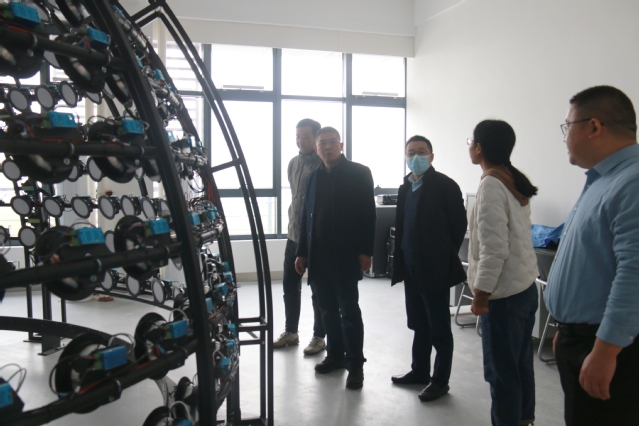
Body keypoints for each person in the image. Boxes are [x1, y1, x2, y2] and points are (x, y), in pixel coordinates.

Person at [544, 86, 639, 426]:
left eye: (567, 126)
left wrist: (605, 350)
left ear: (594, 127)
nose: (565, 137)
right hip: (582, 338)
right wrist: (565, 328)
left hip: (612, 347)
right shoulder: (604, 180)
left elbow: (634, 273)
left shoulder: (632, 182)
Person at [467, 120, 539, 426]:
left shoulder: (492, 185)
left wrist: (481, 295)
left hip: (504, 296)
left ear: (479, 148)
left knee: (501, 373)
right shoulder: (511, 177)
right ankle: (524, 419)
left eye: (471, 142)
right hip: (524, 287)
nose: (470, 146)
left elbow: (494, 249)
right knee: (520, 365)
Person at [294, 126, 376, 390]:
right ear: (316, 148)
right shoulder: (313, 177)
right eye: (322, 143)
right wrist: (302, 251)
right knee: (327, 311)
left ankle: (355, 366)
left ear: (341, 145)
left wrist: (366, 250)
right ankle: (335, 356)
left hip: (347, 255)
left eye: (332, 142)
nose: (327, 146)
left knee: (349, 312)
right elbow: (306, 217)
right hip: (318, 258)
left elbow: (368, 214)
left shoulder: (359, 173)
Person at [390, 135, 467, 402]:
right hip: (410, 266)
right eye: (411, 152)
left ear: (431, 156)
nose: (416, 157)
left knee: (439, 328)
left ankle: (440, 380)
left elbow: (458, 226)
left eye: (421, 152)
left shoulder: (445, 185)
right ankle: (419, 371)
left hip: (434, 268)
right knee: (419, 323)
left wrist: (442, 255)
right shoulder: (405, 187)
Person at [273, 118, 327, 356]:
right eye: (297, 136)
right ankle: (291, 331)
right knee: (289, 285)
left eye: (305, 136)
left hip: (315, 239)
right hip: (294, 235)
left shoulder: (324, 164)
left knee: (318, 290)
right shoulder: (293, 163)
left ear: (315, 138)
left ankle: (319, 336)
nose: (300, 140)